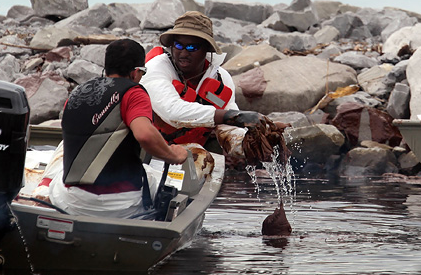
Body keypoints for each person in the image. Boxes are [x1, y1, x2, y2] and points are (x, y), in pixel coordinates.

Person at [49, 39, 188, 218]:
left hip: (73, 202)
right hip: (120, 206)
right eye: (142, 73)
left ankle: (42, 189)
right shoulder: (134, 93)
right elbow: (145, 135)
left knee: (58, 167)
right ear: (135, 72)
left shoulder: (77, 93)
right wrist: (173, 155)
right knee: (160, 178)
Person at [140, 11, 269, 151]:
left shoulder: (221, 78)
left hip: (190, 151)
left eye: (192, 47)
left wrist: (251, 142)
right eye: (178, 45)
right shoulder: (154, 69)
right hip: (145, 152)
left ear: (207, 48)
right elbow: (172, 112)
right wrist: (231, 116)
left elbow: (229, 127)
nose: (183, 53)